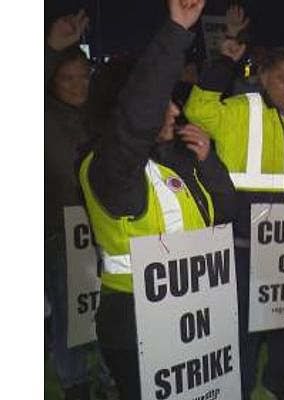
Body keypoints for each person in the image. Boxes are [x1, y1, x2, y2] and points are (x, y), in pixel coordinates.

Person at [184, 6, 284, 399]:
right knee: (245, 324)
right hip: (246, 242)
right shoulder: (242, 111)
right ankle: (240, 388)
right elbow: (197, 110)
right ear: (265, 79)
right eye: (282, 79)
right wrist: (225, 59)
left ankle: (278, 379)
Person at [78, 1, 236, 399]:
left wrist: (210, 165)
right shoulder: (109, 168)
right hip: (136, 329)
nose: (175, 109)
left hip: (189, 318)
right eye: (165, 100)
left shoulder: (170, 162)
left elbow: (223, 216)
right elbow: (136, 117)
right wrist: (176, 31)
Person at [45, 10, 116, 399]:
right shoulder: (38, 116)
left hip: (99, 228)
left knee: (101, 306)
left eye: (83, 77)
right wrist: (52, 48)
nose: (77, 86)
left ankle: (106, 375)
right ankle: (73, 380)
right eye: (67, 78)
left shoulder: (96, 116)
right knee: (69, 313)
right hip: (59, 231)